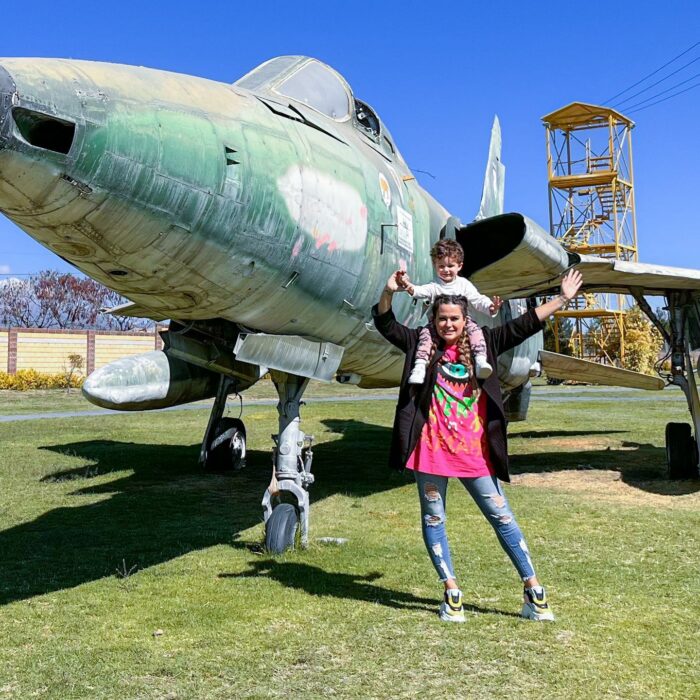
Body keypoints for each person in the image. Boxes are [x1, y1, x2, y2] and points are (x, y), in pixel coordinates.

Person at [372, 267, 583, 622]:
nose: (448, 325)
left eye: (454, 318)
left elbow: (525, 324)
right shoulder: (419, 344)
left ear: (464, 318)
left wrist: (562, 299)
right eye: (442, 319)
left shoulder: (484, 342)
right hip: (431, 454)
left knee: (502, 516)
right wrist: (388, 292)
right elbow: (385, 323)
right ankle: (451, 592)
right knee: (434, 518)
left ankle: (535, 592)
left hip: (475, 455)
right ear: (433, 318)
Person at [396, 240, 501, 384]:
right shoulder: (434, 286)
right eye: (441, 266)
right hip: (436, 324)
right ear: (435, 266)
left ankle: (481, 360)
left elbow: (477, 300)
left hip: (462, 323)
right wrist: (407, 285)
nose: (446, 270)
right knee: (425, 337)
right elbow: (418, 291)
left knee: (476, 332)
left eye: (450, 266)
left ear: (459, 266)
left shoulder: (464, 284)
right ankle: (419, 367)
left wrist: (491, 307)